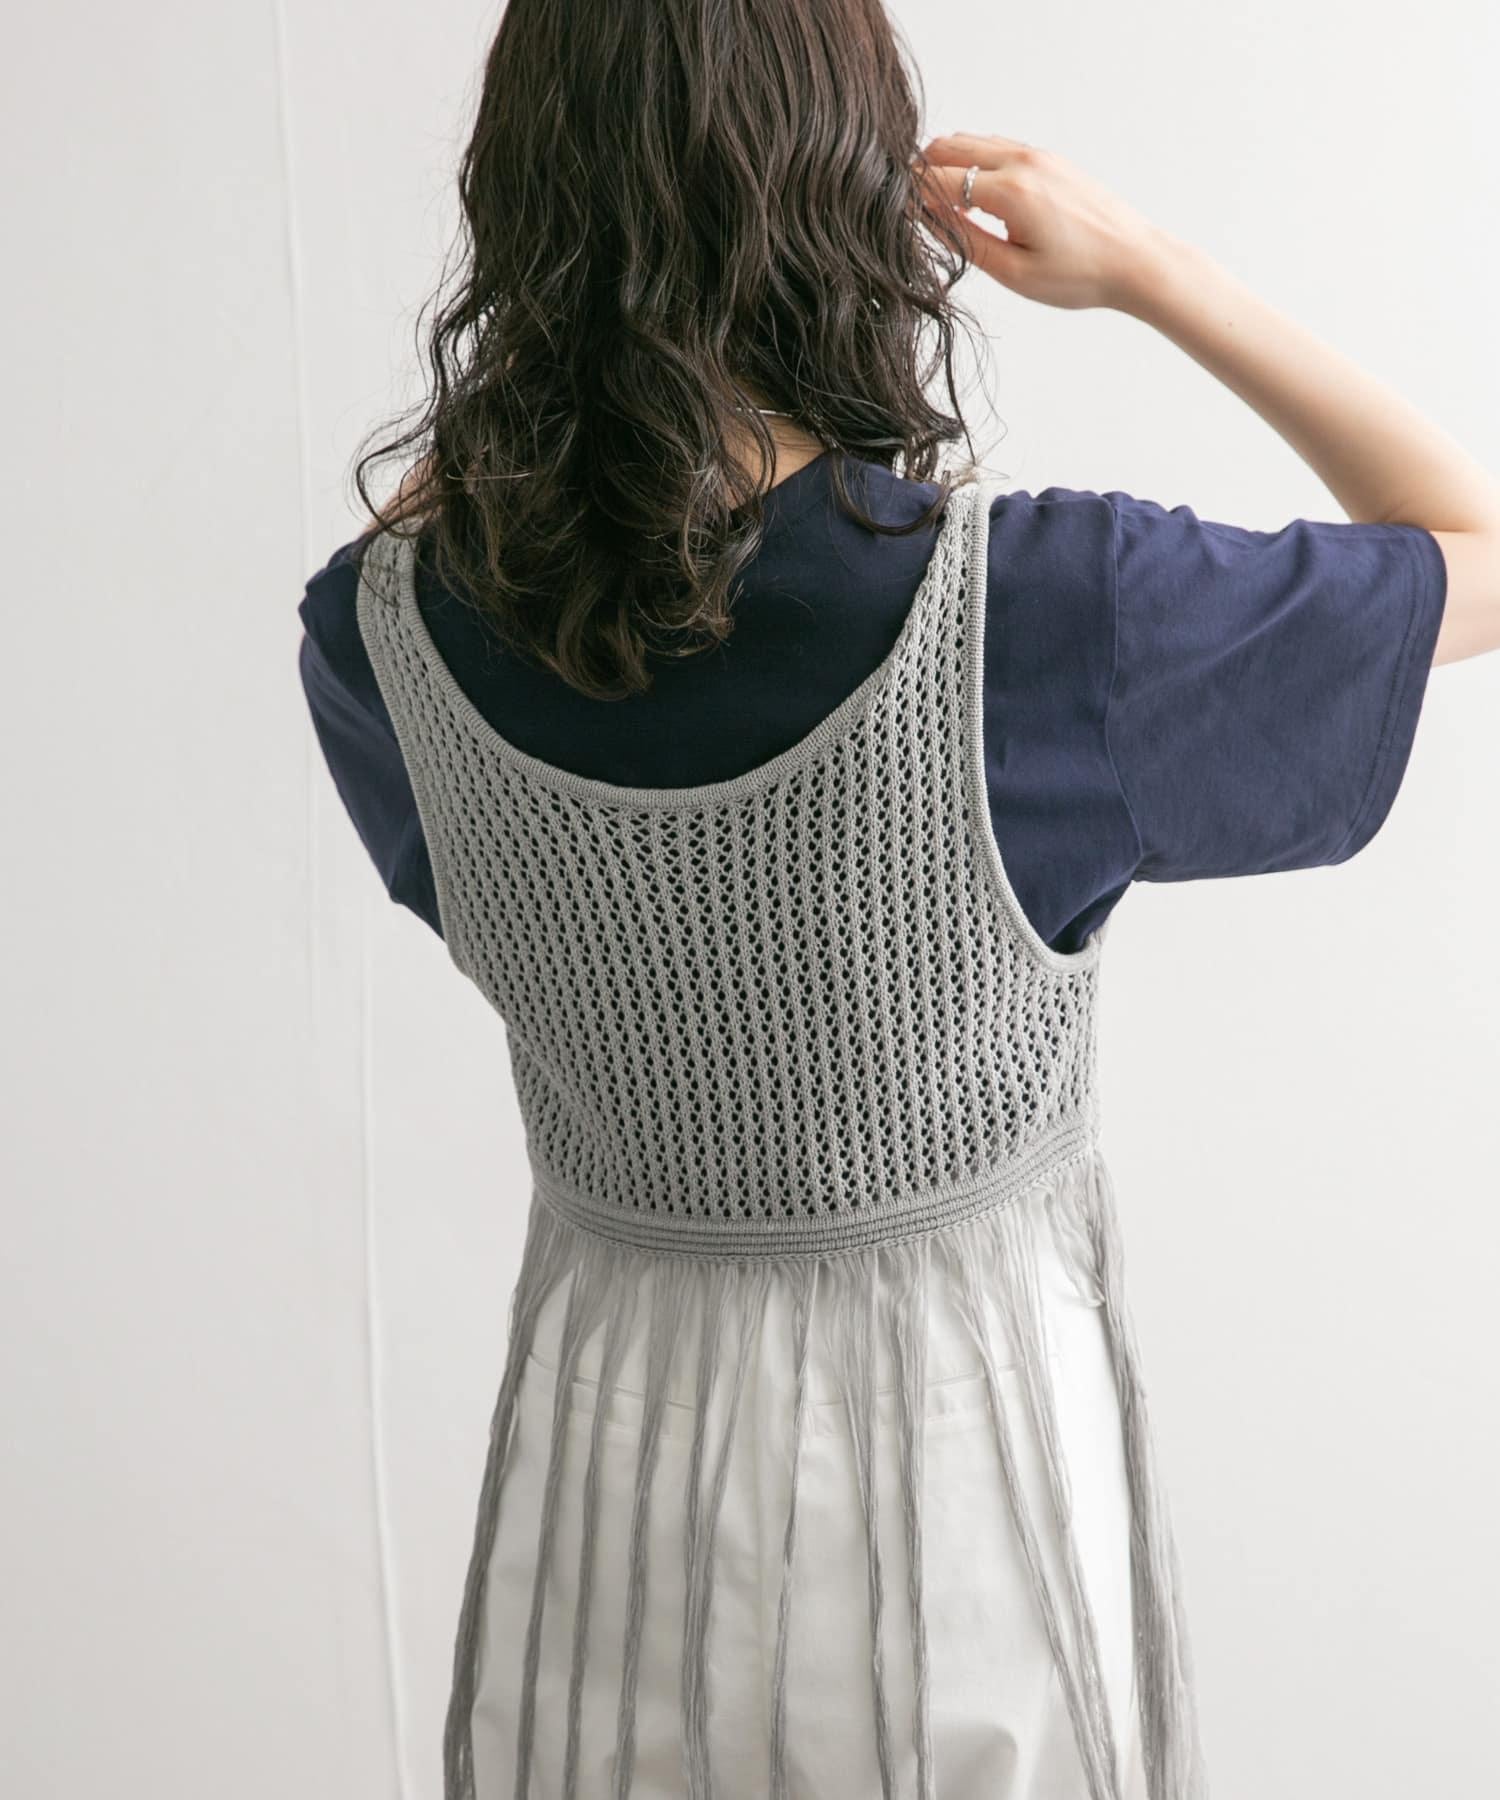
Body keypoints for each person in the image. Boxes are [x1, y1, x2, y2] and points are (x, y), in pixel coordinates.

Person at [296, 5, 1497, 1797]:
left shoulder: (378, 638)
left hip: (611, 1475)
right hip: (959, 1485)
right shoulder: (1044, 615)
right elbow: (1474, 548)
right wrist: (1152, 270)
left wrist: (519, 420)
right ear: (848, 188)